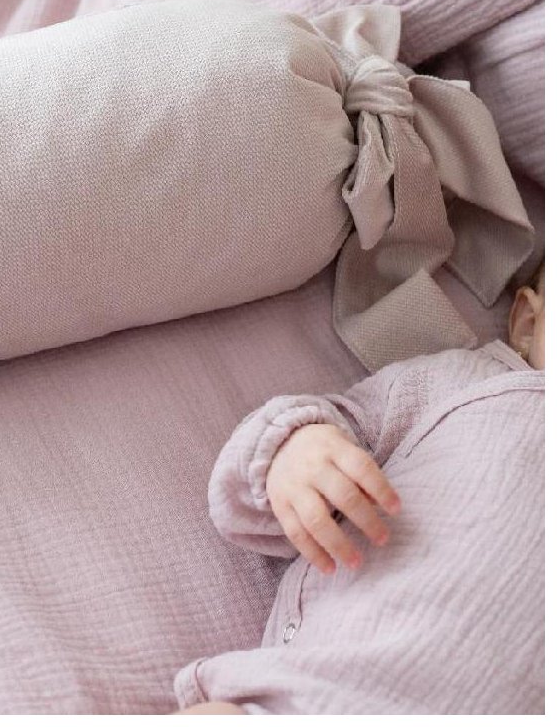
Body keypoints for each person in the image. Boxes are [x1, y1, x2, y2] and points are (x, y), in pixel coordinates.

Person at [176, 263, 544, 715]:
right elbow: (341, 421)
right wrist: (296, 450)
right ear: (529, 325)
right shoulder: (464, 381)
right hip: (327, 686)